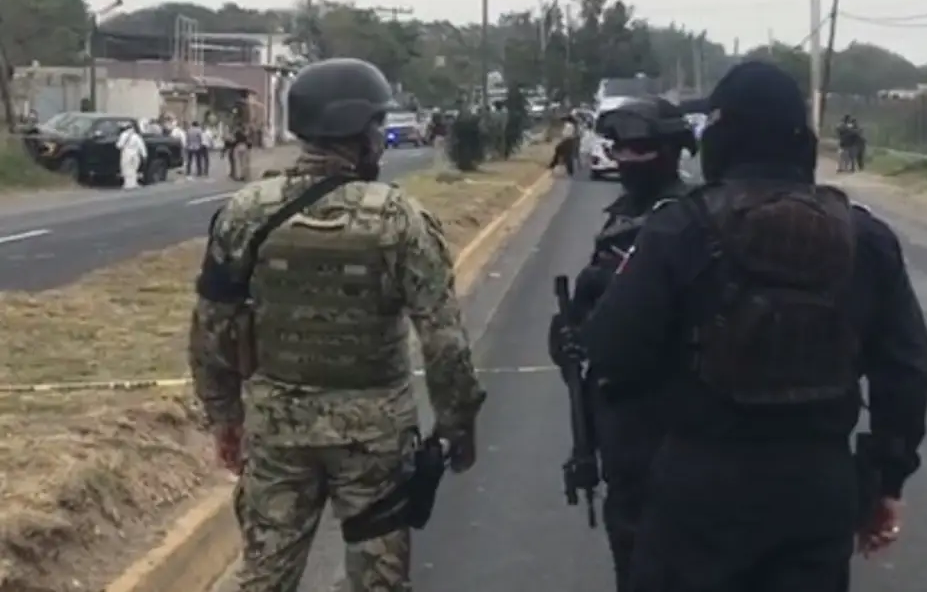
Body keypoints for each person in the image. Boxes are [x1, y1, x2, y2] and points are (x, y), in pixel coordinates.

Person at [581, 61, 927, 592]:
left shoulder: (678, 227)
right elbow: (907, 368)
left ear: (719, 136)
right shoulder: (866, 235)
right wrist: (886, 479)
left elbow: (613, 354)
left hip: (698, 487)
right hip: (819, 488)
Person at [187, 58, 486, 592]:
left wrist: (224, 416)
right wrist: (456, 428)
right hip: (374, 437)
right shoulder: (399, 218)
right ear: (362, 132)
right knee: (379, 581)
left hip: (277, 431)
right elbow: (443, 341)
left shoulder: (243, 211)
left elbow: (211, 325)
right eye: (377, 126)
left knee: (264, 577)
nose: (381, 139)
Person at [548, 96, 697, 592]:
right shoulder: (619, 218)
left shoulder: (689, 221)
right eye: (619, 149)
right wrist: (569, 333)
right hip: (621, 422)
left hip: (678, 419)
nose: (626, 160)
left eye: (640, 149)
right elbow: (587, 331)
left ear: (672, 151)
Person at [116, 120, 147, 189]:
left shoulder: (123, 135)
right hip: (135, 154)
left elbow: (119, 145)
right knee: (134, 169)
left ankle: (127, 184)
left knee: (126, 168)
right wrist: (144, 155)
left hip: (126, 153)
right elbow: (141, 146)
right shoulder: (136, 136)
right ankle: (134, 183)